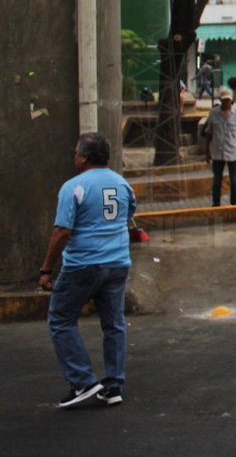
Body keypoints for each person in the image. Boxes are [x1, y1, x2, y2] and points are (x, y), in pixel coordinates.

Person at [39, 132, 137, 408]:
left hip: (84, 264)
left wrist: (46, 269)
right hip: (118, 263)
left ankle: (82, 380)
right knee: (114, 323)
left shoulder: (73, 187)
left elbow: (62, 232)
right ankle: (113, 384)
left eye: (75, 153)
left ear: (83, 157)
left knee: (60, 319)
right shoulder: (122, 183)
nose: (74, 157)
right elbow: (128, 215)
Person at [204, 87, 236, 206]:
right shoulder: (213, 113)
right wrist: (207, 152)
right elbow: (208, 133)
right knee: (217, 181)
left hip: (232, 151)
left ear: (231, 101)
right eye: (224, 100)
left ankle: (234, 204)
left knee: (234, 181)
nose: (226, 103)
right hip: (217, 152)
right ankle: (216, 204)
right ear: (221, 101)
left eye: (228, 101)